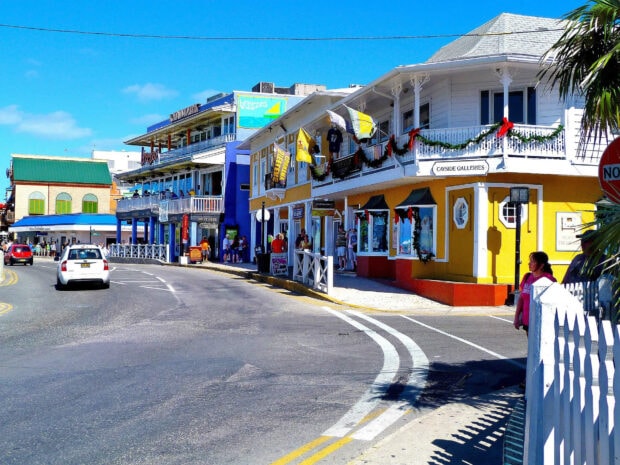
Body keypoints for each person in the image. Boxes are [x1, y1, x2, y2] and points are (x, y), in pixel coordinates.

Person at [514, 251, 556, 335]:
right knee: (531, 346)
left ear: (541, 265)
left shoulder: (549, 279)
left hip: (541, 321)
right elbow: (522, 298)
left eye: (532, 261)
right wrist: (517, 317)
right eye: (530, 261)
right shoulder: (527, 277)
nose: (529, 263)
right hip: (527, 319)